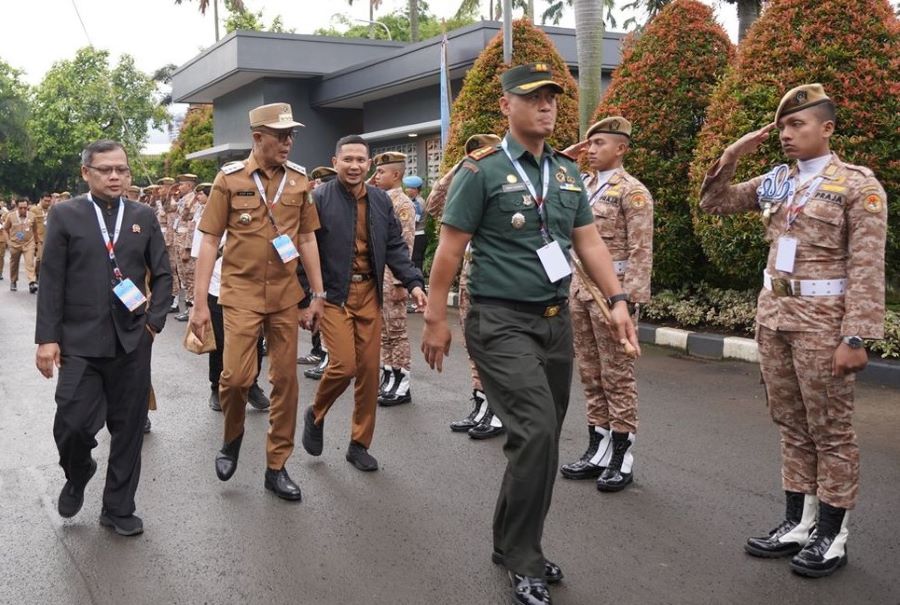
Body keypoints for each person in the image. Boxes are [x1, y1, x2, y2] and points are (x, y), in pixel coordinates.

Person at [421, 63, 640, 605]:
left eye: (553, 98)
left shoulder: (567, 177)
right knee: (538, 433)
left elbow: (588, 243)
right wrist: (434, 319)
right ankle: (525, 557)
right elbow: (448, 249)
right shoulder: (482, 172)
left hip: (553, 321)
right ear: (506, 107)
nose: (547, 106)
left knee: (534, 440)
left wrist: (616, 300)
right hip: (499, 322)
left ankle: (509, 541)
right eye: (534, 98)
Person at [699, 84, 887, 578]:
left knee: (831, 430)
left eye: (796, 124)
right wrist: (732, 153)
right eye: (781, 125)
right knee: (791, 424)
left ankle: (832, 534)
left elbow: (867, 266)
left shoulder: (856, 186)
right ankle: (797, 523)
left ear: (826, 128)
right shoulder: (778, 181)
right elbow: (715, 203)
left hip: (824, 324)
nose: (785, 133)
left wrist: (857, 336)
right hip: (775, 317)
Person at [34, 139, 172, 536]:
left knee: (128, 429)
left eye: (122, 170)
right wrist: (47, 338)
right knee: (73, 424)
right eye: (106, 170)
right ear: (86, 173)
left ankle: (117, 507)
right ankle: (78, 473)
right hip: (79, 343)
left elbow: (162, 274)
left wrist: (153, 323)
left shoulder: (143, 216)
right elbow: (52, 279)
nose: (115, 177)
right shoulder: (65, 215)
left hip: (132, 341)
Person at [191, 102, 324, 502]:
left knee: (285, 381)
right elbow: (210, 241)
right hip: (240, 294)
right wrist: (199, 303)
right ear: (257, 138)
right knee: (234, 379)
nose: (288, 142)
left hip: (285, 297)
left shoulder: (299, 181)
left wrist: (318, 295)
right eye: (280, 135)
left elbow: (306, 239)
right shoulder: (228, 180)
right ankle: (232, 438)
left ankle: (277, 466)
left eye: (291, 135)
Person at [300, 135, 426, 473]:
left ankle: (359, 444)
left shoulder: (381, 201)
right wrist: (306, 299)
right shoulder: (319, 198)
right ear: (336, 161)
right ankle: (316, 411)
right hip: (334, 296)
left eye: (361, 160)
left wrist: (413, 282)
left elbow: (396, 246)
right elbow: (304, 250)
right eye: (348, 159)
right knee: (343, 365)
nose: (354, 166)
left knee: (369, 373)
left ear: (369, 164)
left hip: (370, 293)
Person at [558, 117, 653, 492]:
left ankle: (621, 454)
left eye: (598, 143)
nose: (590, 150)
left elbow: (641, 251)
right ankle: (596, 446)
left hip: (613, 296)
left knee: (617, 376)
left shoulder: (633, 192)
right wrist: (567, 156)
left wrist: (629, 303)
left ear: (621, 148)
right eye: (587, 144)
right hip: (579, 291)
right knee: (591, 373)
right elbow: (549, 185)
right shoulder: (582, 185)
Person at [426, 133, 506, 439]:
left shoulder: (500, 184)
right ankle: (481, 404)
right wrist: (463, 163)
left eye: (485, 152)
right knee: (475, 347)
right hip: (470, 279)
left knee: (494, 349)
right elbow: (435, 205)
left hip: (494, 281)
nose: (478, 155)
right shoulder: (467, 180)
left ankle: (498, 411)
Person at [372, 152, 417, 406]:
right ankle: (388, 374)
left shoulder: (403, 204)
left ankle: (403, 382)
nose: (376, 176)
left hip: (394, 278)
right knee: (384, 332)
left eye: (381, 172)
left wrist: (402, 282)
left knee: (397, 332)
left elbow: (406, 244)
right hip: (379, 277)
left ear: (396, 174)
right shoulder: (379, 199)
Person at [297, 166, 337, 368]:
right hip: (312, 270)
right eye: (317, 183)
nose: (318, 186)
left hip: (329, 273)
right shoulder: (313, 204)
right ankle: (319, 350)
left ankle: (325, 354)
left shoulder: (333, 206)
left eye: (323, 183)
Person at [4, 199, 39, 293]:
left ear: (28, 207)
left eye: (25, 208)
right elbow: (5, 229)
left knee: (30, 262)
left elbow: (35, 231)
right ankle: (13, 281)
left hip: (28, 243)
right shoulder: (10, 216)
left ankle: (32, 282)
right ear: (16, 207)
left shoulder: (32, 216)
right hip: (15, 244)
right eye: (20, 208)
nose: (23, 210)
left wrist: (36, 243)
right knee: (14, 264)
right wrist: (8, 242)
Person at [403, 174, 427, 278]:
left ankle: (420, 288)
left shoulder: (417, 203)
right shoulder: (413, 201)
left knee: (416, 263)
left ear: (415, 189)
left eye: (409, 188)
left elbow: (413, 222)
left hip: (417, 236)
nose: (407, 190)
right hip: (416, 235)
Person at [29, 194, 52, 286]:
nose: (47, 203)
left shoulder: (52, 210)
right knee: (39, 258)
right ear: (41, 200)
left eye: (48, 201)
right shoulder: (34, 210)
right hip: (39, 238)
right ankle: (36, 275)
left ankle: (44, 276)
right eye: (45, 200)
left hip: (49, 237)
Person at [0, 200, 8, 281]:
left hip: (1, 237)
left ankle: (0, 272)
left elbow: (7, 224)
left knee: (1, 256)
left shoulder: (4, 212)